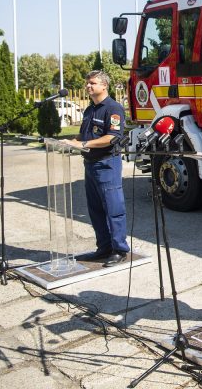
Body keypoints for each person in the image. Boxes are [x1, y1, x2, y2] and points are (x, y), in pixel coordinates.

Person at [66, 70, 130, 267]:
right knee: (95, 209)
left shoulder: (113, 108)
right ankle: (103, 247)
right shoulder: (89, 110)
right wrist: (70, 141)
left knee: (113, 208)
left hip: (106, 164)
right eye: (87, 83)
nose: (88, 86)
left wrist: (83, 145)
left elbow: (111, 137)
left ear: (104, 86)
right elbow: (84, 135)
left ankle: (119, 249)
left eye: (92, 83)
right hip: (90, 164)